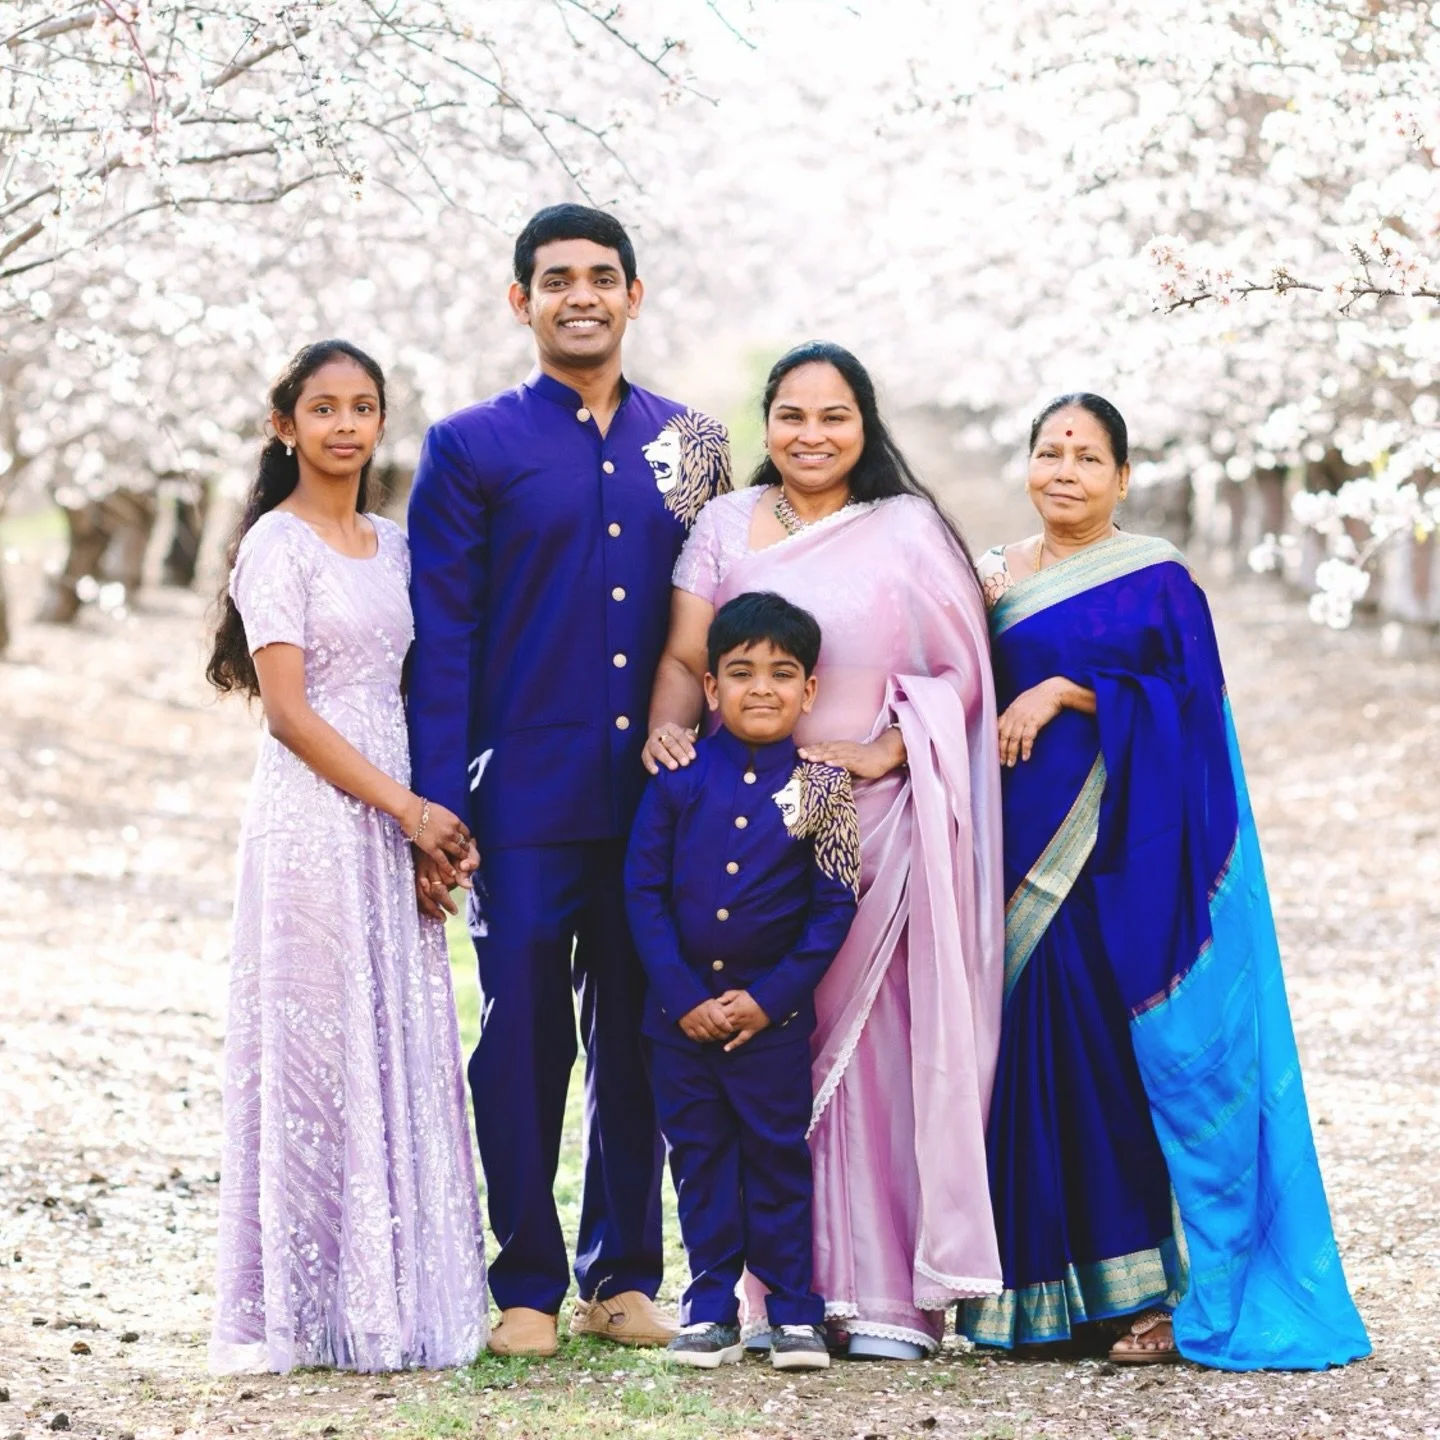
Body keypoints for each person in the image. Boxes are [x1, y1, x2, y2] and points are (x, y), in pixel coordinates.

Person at [962, 392, 1371, 1369]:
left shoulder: (1158, 581)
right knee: (1018, 1063)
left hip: (1119, 864)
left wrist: (1069, 691)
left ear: (1123, 478)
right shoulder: (988, 579)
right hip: (1008, 857)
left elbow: (1190, 714)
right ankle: (1029, 1300)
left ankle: (1144, 1297)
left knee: (1110, 1066)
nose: (1064, 470)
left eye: (1087, 456)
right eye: (1049, 451)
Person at [406, 204, 731, 1358]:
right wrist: (439, 801)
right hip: (522, 803)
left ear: (634, 296)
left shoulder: (694, 442)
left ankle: (625, 1276)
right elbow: (442, 637)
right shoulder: (469, 447)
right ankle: (528, 1285)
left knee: (645, 1036)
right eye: (556, 280)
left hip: (660, 803)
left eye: (602, 277)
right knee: (526, 1034)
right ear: (521, 302)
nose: (580, 295)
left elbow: (718, 621)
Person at [645, 341, 1004, 1359]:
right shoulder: (721, 522)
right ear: (765, 423)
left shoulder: (906, 529)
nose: (811, 436)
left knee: (876, 1062)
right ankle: (777, 1297)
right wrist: (669, 734)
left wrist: (890, 750)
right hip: (746, 822)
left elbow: (963, 669)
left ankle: (887, 1296)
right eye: (792, 416)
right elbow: (686, 654)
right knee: (770, 1062)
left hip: (869, 815)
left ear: (865, 425)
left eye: (834, 416)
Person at [206, 340, 488, 1373]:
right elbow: (287, 713)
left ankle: (392, 1299)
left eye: (363, 407)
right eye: (322, 408)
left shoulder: (396, 543)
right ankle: (307, 1304)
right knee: (319, 1047)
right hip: (315, 820)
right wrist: (407, 811)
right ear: (286, 426)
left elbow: (418, 686)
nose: (344, 426)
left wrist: (422, 825)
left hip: (394, 808)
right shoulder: (276, 548)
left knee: (392, 1034)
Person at [627, 592, 859, 1372]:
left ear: (810, 690)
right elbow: (643, 895)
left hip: (772, 1027)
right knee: (698, 1160)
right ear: (712, 686)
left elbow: (833, 909)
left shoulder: (825, 789)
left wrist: (770, 999)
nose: (763, 688)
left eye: (783, 673)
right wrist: (683, 997)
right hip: (679, 1025)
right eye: (742, 672)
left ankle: (793, 1308)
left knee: (776, 1158)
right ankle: (708, 1307)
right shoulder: (678, 773)